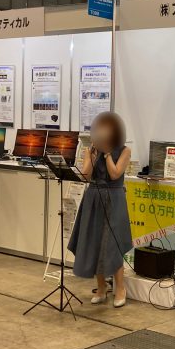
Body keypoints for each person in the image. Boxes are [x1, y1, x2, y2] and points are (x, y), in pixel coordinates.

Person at [68, 112, 133, 308]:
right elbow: (86, 175)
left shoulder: (124, 151)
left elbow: (115, 174)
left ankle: (120, 288)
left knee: (113, 243)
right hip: (93, 197)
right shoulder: (91, 150)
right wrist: (91, 155)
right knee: (94, 241)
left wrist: (107, 154)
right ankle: (101, 287)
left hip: (114, 198)